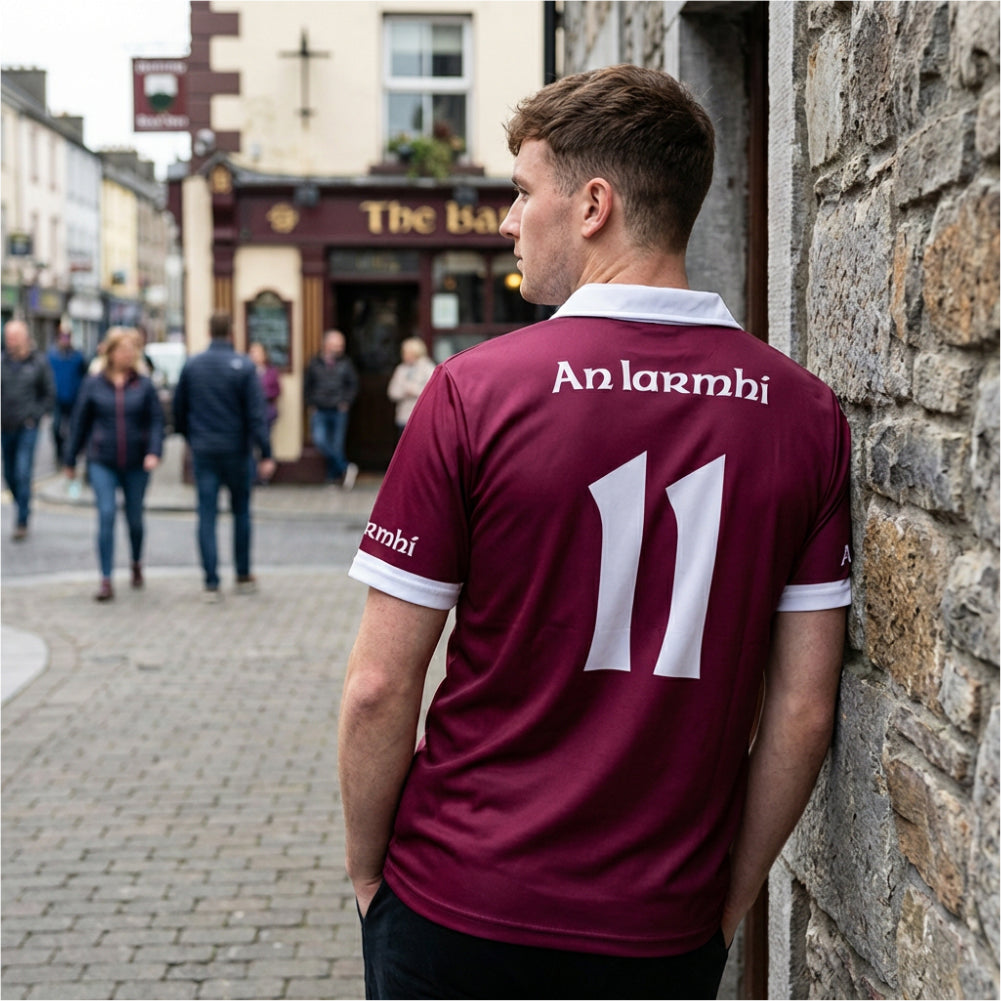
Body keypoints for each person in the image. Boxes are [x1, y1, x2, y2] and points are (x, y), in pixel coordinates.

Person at [339, 64, 853, 1000]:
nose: (507, 220)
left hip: (459, 895)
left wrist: (370, 872)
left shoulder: (473, 393)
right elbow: (803, 709)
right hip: (658, 924)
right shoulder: (805, 413)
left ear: (593, 205)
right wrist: (727, 900)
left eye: (522, 192)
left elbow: (379, 685)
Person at [172, 313, 276, 602]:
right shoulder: (244, 366)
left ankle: (211, 582)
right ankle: (242, 575)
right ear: (232, 332)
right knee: (241, 511)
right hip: (237, 451)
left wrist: (189, 438)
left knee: (206, 513)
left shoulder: (193, 365)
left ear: (208, 330)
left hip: (203, 450)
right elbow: (257, 415)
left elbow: (179, 409)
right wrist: (265, 452)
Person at [63, 328, 164, 602]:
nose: (127, 355)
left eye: (131, 351)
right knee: (106, 515)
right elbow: (79, 422)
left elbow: (156, 421)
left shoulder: (143, 385)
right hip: (102, 460)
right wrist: (70, 459)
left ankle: (135, 563)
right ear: (110, 353)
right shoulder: (93, 384)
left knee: (134, 519)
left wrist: (154, 451)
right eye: (122, 350)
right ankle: (106, 578)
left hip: (136, 461)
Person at [1, 319, 55, 541]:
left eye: (13, 336)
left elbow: (49, 394)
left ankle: (22, 519)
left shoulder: (39, 363)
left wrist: (35, 415)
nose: (9, 340)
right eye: (7, 336)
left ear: (24, 337)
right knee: (9, 475)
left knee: (23, 473)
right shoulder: (2, 362)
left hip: (27, 427)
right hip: (6, 427)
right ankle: (22, 503)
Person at [304, 329, 359, 489]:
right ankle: (346, 467)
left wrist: (346, 401)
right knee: (320, 441)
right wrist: (311, 403)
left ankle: (332, 478)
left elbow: (353, 385)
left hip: (338, 409)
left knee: (336, 445)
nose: (340, 347)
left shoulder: (346, 363)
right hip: (319, 409)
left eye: (341, 344)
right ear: (326, 344)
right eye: (337, 344)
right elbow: (307, 385)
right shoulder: (314, 362)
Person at [47, 322, 89, 464]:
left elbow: (85, 377)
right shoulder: (52, 356)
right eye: (62, 337)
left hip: (74, 399)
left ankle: (70, 454)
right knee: (56, 428)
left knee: (74, 429)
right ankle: (59, 453)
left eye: (67, 337)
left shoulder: (78, 357)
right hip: (57, 399)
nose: (64, 340)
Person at [386, 336, 435, 439]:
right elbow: (392, 392)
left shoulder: (428, 368)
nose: (404, 355)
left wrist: (414, 390)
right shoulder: (401, 369)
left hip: (422, 418)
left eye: (406, 352)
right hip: (403, 417)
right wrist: (405, 391)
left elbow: (433, 391)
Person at [249, 341, 281, 482]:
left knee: (264, 442)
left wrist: (262, 394)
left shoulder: (271, 371)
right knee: (250, 445)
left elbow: (276, 390)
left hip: (266, 413)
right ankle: (252, 474)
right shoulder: (247, 372)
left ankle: (265, 475)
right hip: (250, 414)